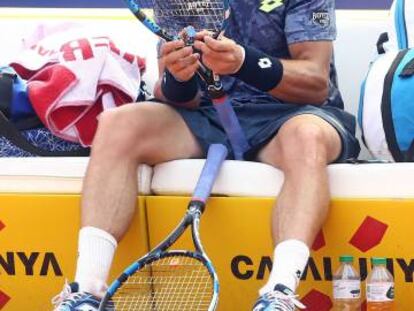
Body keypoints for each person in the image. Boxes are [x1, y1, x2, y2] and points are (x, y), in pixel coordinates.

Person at [52, 0, 360, 310]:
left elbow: (316, 83)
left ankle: (279, 294)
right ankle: (86, 293)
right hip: (207, 114)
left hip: (291, 114)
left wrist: (244, 62)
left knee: (307, 137)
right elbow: (178, 94)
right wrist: (179, 78)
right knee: (118, 124)